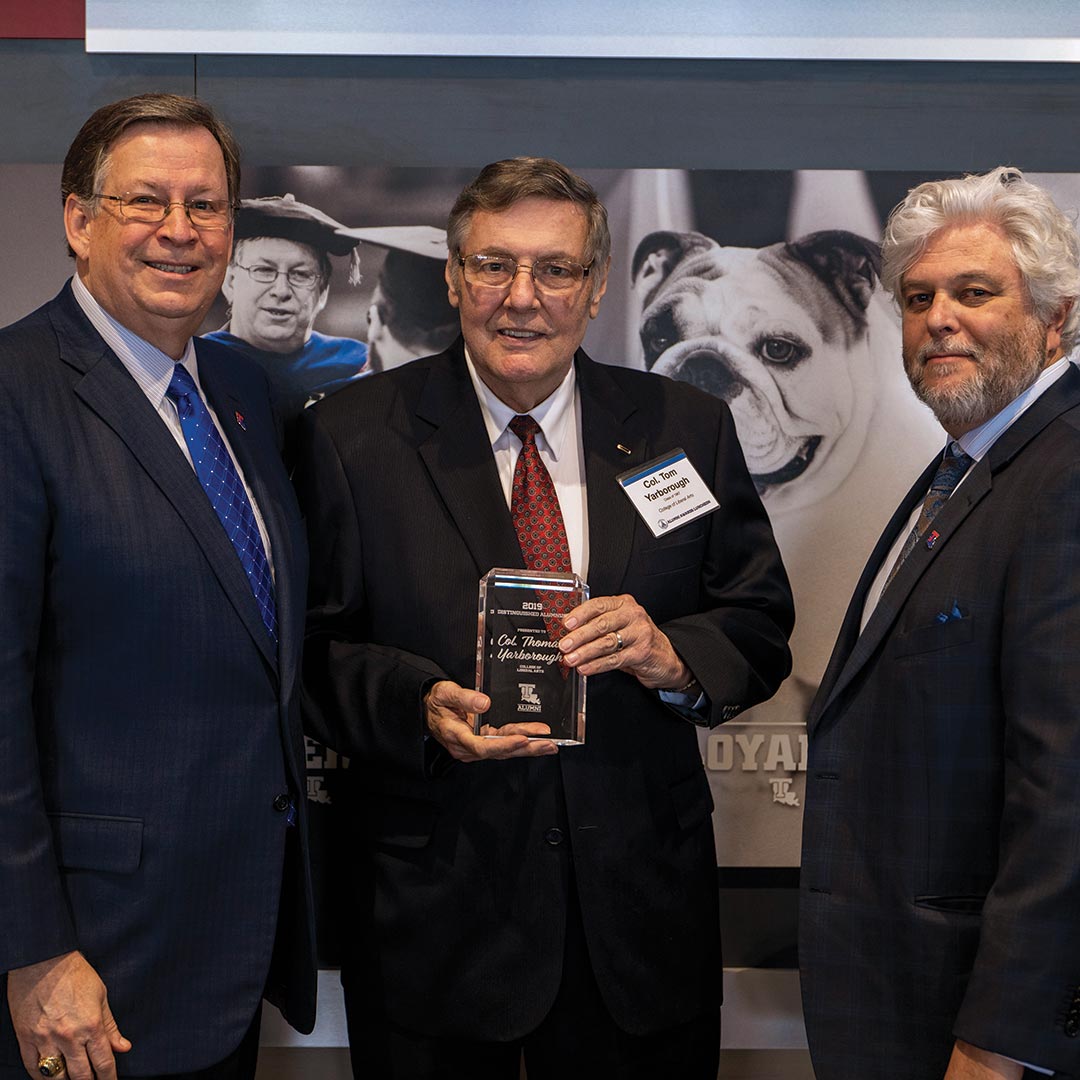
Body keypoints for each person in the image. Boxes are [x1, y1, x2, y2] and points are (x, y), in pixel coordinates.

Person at [294, 156, 794, 1078]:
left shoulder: (685, 425)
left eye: (555, 270)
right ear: (452, 278)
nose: (522, 298)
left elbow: (757, 620)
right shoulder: (351, 436)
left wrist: (672, 658)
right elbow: (310, 652)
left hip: (639, 924)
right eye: (493, 266)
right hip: (435, 924)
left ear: (597, 287)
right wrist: (416, 706)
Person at [0, 94, 316, 1080]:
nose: (181, 231)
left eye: (208, 205)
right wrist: (35, 951)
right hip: (87, 963)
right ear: (77, 218)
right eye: (147, 201)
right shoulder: (15, 392)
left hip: (224, 946)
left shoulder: (241, 393)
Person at [799, 166, 1080, 1080]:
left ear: (1057, 319)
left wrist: (1000, 1043)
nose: (938, 320)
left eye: (974, 292)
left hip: (977, 1033)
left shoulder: (1065, 479)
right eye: (917, 298)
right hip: (901, 1004)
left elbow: (1067, 797)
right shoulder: (967, 466)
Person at [206, 193, 368, 417]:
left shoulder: (356, 364)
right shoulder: (198, 365)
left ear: (323, 293)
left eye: (301, 274)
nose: (281, 291)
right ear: (230, 282)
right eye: (264, 271)